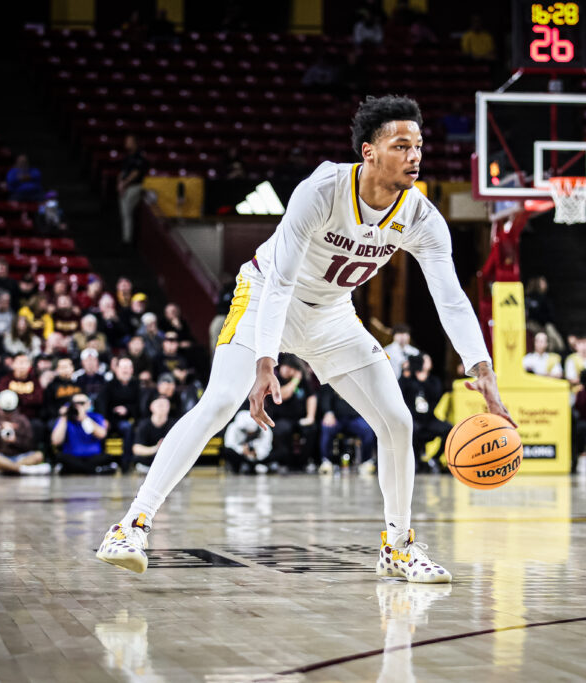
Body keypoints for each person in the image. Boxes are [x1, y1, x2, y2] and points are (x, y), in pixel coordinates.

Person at [96, 95, 511, 581]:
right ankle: (131, 525)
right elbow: (281, 282)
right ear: (369, 152)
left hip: (333, 315)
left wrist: (481, 369)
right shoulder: (322, 190)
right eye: (402, 145)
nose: (415, 155)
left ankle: (397, 546)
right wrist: (266, 361)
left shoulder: (421, 217)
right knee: (219, 401)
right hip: (265, 296)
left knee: (397, 421)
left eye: (419, 145)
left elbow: (452, 299)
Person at [399, 354, 451, 472]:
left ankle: (435, 459)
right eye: (424, 360)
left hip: (429, 420)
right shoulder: (408, 379)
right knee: (412, 430)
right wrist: (405, 373)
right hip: (413, 420)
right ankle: (415, 461)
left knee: (449, 429)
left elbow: (436, 395)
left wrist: (424, 380)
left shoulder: (433, 380)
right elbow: (400, 392)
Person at [0, 390, 48, 475]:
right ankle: (21, 470)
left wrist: (15, 440)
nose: (7, 414)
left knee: (39, 455)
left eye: (10, 411)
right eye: (4, 410)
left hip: (19, 457)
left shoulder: (22, 420)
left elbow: (30, 444)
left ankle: (7, 468)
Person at [318, 385, 376, 473]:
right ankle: (326, 461)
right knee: (326, 427)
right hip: (337, 418)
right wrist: (328, 412)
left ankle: (366, 461)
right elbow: (326, 396)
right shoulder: (331, 379)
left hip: (355, 417)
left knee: (367, 429)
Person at [98, 357, 141, 472]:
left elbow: (139, 404)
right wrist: (104, 419)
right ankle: (104, 461)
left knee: (130, 427)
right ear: (116, 369)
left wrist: (127, 409)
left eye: (128, 368)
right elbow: (101, 403)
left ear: (132, 370)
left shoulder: (136, 385)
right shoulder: (108, 385)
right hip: (111, 419)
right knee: (102, 428)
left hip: (130, 418)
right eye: (122, 367)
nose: (125, 370)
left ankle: (127, 462)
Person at [51, 392, 111, 474]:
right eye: (75, 403)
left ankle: (75, 470)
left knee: (108, 457)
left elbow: (102, 435)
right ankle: (94, 470)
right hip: (72, 456)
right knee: (60, 457)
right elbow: (56, 441)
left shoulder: (96, 417)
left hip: (93, 456)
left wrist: (84, 418)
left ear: (88, 404)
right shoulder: (65, 419)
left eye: (82, 403)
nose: (78, 406)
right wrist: (64, 416)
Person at [128, 395, 173, 473]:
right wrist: (156, 448)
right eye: (160, 405)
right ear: (151, 407)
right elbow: (136, 449)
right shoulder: (144, 425)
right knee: (137, 459)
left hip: (167, 458)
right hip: (150, 458)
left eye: (165, 405)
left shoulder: (174, 425)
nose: (162, 407)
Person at [222, 409, 274, 474]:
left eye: (252, 433)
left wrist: (256, 453)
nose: (249, 435)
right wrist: (242, 450)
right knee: (227, 451)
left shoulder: (265, 429)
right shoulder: (233, 428)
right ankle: (241, 467)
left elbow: (267, 446)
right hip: (240, 455)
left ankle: (255, 466)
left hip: (259, 456)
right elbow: (229, 444)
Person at [117, 135, 148, 245]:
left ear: (135, 143)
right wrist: (120, 183)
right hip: (124, 187)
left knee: (127, 212)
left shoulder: (139, 157)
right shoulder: (127, 157)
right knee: (124, 213)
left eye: (129, 141)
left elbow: (135, 173)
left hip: (134, 187)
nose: (126, 143)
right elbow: (122, 172)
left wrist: (125, 183)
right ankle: (125, 237)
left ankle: (127, 239)